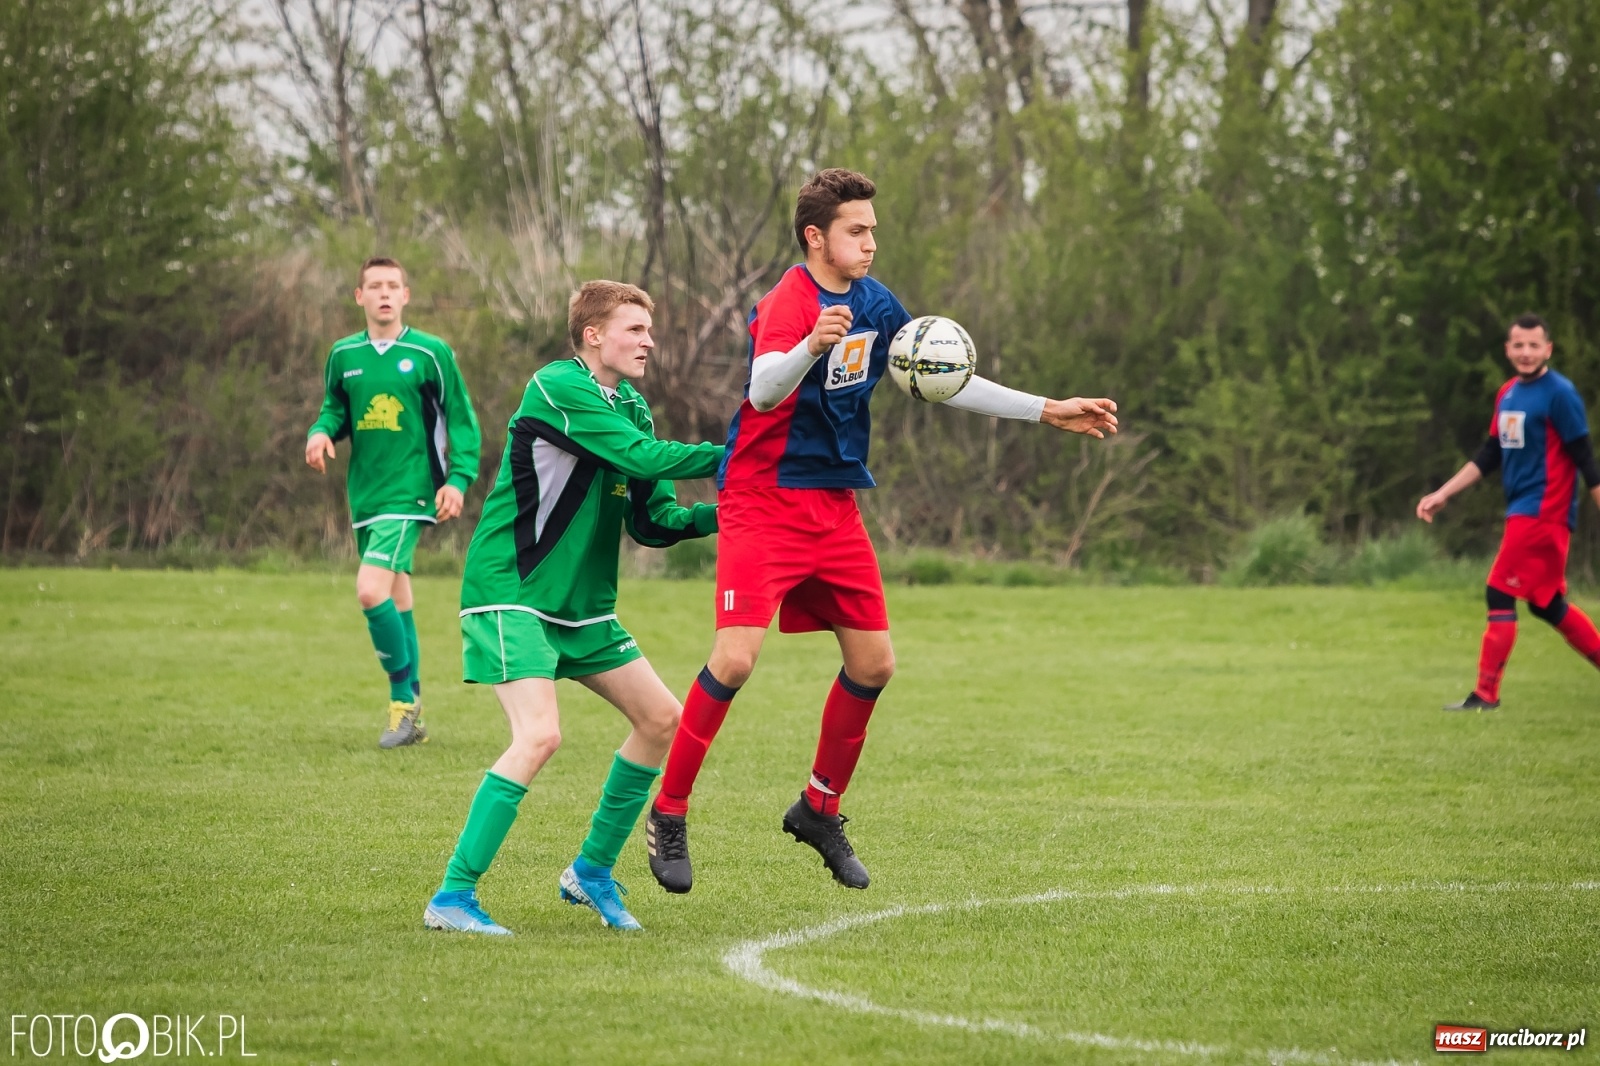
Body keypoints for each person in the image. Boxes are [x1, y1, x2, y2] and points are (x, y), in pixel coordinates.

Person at [644, 168, 1119, 894]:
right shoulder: (789, 303)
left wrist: (1047, 408)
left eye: (872, 230)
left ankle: (818, 808)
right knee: (735, 661)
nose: (870, 243)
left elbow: (941, 374)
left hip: (834, 505)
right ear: (816, 237)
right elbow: (761, 389)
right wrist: (810, 344)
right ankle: (669, 812)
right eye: (856, 231)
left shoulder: (875, 301)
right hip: (764, 499)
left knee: (874, 666)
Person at [423, 281, 722, 935]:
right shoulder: (558, 388)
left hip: (582, 607)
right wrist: (740, 457)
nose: (649, 340)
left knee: (660, 718)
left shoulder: (633, 410)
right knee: (539, 736)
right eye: (635, 329)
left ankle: (590, 872)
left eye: (650, 329)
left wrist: (730, 510)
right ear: (593, 335)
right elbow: (638, 457)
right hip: (512, 592)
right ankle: (452, 896)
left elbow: (655, 519)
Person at [305, 257, 481, 748]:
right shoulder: (344, 355)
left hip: (413, 491)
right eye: (374, 286)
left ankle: (403, 704)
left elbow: (461, 419)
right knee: (397, 596)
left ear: (406, 295)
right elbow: (335, 408)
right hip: (365, 494)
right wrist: (320, 434)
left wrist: (459, 479)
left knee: (369, 590)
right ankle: (415, 719)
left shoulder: (430, 353)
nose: (384, 293)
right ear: (358, 296)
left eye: (393, 286)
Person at [1417, 312, 1600, 710]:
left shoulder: (1560, 394)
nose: (1526, 352)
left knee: (1498, 590)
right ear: (1507, 349)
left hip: (1543, 512)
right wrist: (1444, 492)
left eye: (1535, 345)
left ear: (1548, 349)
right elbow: (1490, 454)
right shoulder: (1508, 394)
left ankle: (1485, 695)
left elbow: (1585, 459)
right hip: (1525, 511)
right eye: (1519, 345)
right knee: (1547, 604)